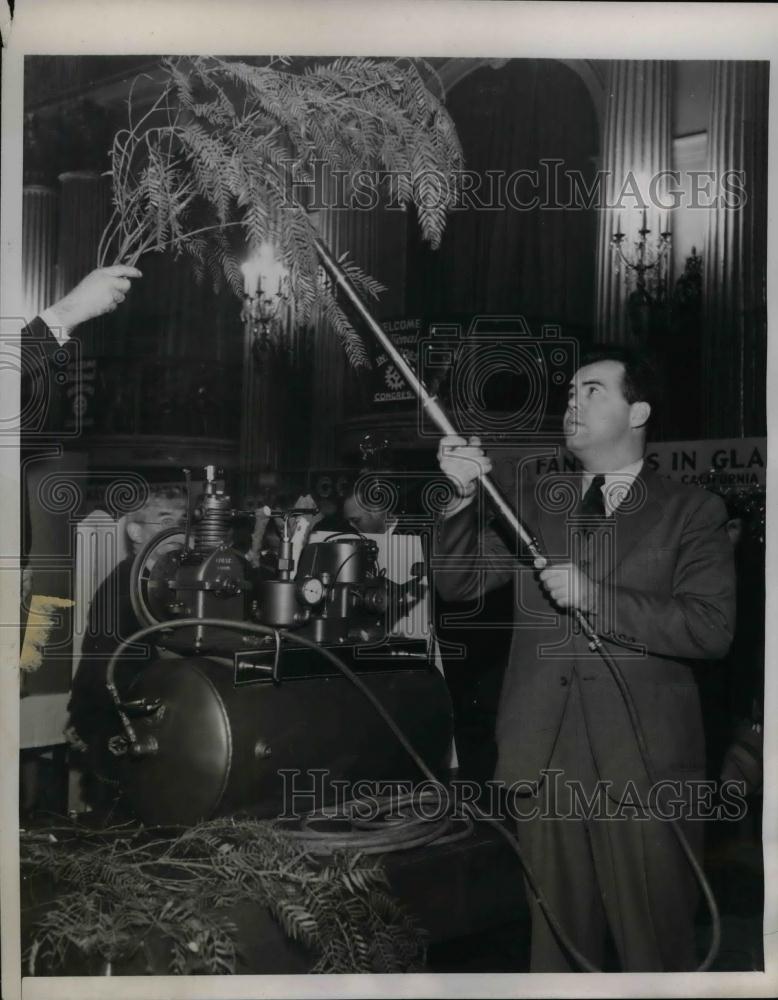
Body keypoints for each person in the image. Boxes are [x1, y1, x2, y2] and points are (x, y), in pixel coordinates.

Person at [434, 345, 736, 972]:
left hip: (644, 771)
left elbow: (711, 629)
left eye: (593, 390)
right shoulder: (534, 505)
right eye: (570, 391)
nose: (573, 400)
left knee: (655, 952)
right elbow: (459, 582)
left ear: (639, 411)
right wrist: (461, 498)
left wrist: (596, 596)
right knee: (556, 955)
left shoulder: (691, 511)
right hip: (544, 764)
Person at [66, 488, 186, 813]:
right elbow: (100, 660)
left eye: (181, 521)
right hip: (121, 722)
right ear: (135, 531)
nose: (177, 530)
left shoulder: (173, 581)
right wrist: (83, 717)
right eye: (164, 520)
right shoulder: (123, 585)